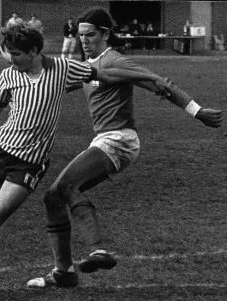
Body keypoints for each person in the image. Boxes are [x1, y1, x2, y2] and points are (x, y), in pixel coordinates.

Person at [0, 21, 170, 299]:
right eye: (9, 53)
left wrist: (152, 81)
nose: (11, 59)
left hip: (28, 164)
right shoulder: (8, 76)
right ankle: (63, 271)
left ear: (33, 51)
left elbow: (106, 74)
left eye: (16, 54)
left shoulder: (63, 69)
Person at [27, 6, 222, 288]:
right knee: (53, 197)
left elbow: (158, 82)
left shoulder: (115, 61)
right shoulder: (89, 64)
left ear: (105, 34)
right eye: (81, 35)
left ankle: (98, 250)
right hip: (104, 139)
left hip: (120, 139)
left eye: (90, 35)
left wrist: (197, 110)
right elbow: (57, 84)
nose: (83, 40)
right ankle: (64, 271)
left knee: (68, 187)